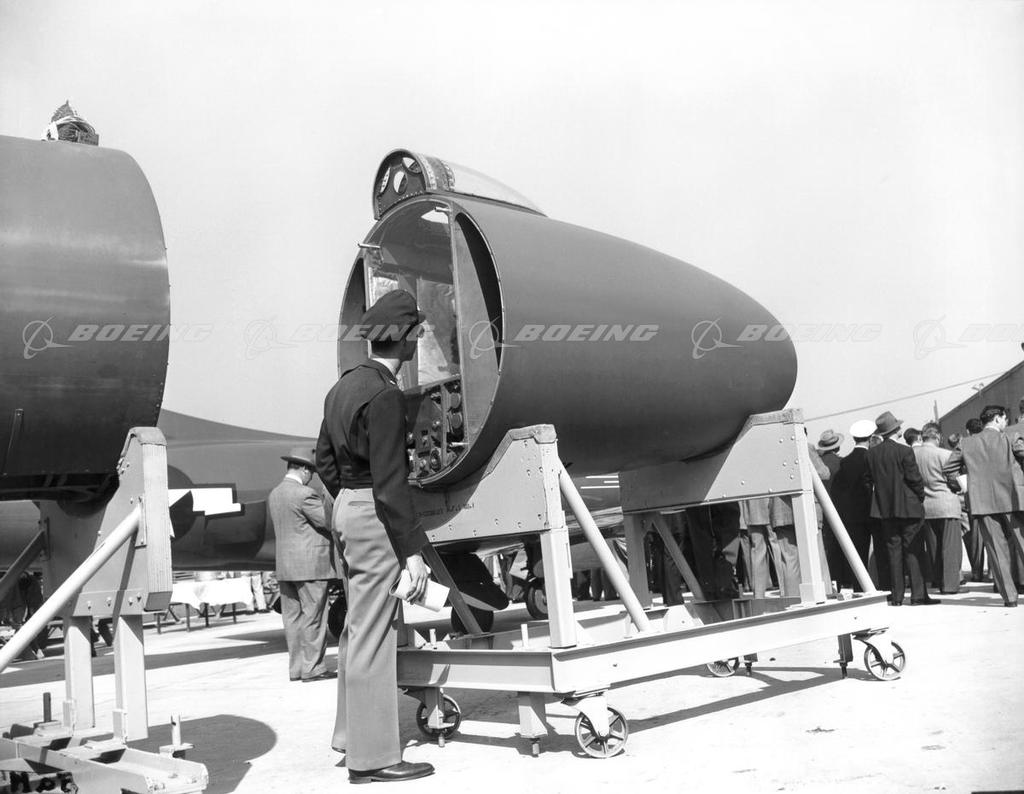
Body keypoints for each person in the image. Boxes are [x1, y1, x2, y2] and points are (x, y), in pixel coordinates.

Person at [315, 288, 434, 784]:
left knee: (356, 629)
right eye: (417, 333)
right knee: (374, 634)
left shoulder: (342, 388)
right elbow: (391, 483)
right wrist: (412, 552)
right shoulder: (385, 395)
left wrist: (348, 499)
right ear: (406, 339)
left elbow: (323, 461)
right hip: (372, 512)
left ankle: (352, 737)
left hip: (346, 507)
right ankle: (374, 758)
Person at [944, 405, 1024, 607]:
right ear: (997, 419)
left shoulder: (966, 443)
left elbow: (949, 469)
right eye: (1004, 419)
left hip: (982, 503)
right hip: (1013, 500)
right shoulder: (1011, 438)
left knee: (997, 552)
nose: (1006, 423)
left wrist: (963, 486)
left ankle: (1010, 598)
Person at [268, 447, 337, 682]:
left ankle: (297, 669)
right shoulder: (304, 494)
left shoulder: (275, 494)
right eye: (312, 473)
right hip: (311, 566)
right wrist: (329, 498)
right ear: (305, 470)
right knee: (314, 617)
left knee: (292, 620)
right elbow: (328, 522)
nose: (312, 477)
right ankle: (313, 668)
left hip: (286, 567)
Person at [865, 410, 935, 606]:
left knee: (893, 552)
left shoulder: (871, 454)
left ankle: (897, 596)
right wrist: (919, 497)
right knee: (913, 550)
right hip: (909, 508)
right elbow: (914, 479)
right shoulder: (905, 451)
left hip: (885, 510)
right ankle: (918, 595)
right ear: (896, 430)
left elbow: (867, 481)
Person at [914, 426, 964, 593]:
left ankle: (938, 580)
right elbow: (954, 480)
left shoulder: (913, 455)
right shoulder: (945, 454)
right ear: (937, 437)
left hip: (926, 506)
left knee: (933, 547)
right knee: (951, 547)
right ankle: (951, 585)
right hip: (947, 503)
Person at [829, 420, 877, 591]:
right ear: (870, 438)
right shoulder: (870, 458)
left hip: (850, 514)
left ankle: (857, 584)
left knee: (856, 550)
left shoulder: (846, 461)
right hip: (869, 512)